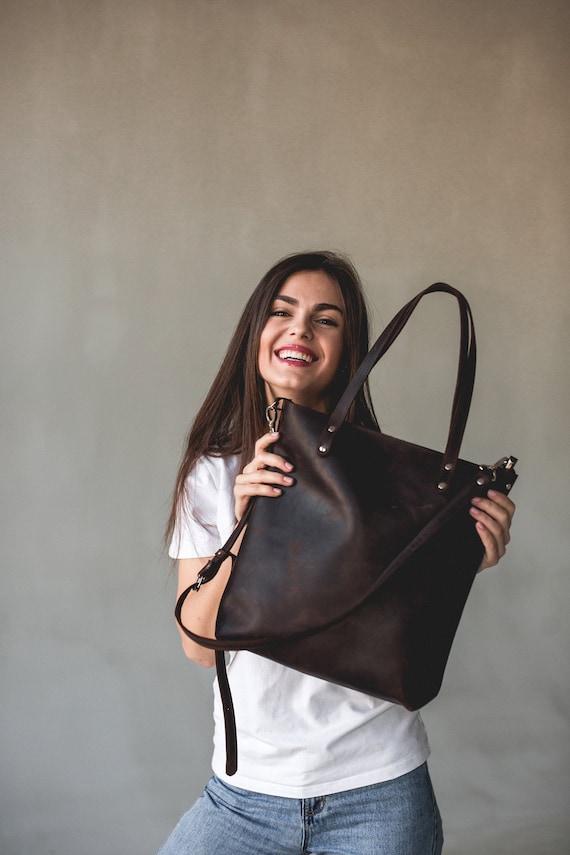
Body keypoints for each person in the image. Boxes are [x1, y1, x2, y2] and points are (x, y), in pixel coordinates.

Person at [160, 251, 515, 855]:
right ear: (257, 331)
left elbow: (403, 627)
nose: (300, 328)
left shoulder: (388, 487)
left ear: (349, 351)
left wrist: (465, 559)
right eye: (282, 311)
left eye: (326, 319)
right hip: (243, 797)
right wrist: (247, 525)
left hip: (379, 792)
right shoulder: (212, 475)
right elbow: (198, 647)